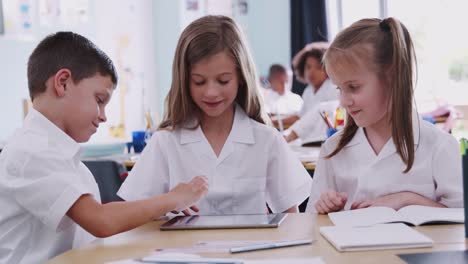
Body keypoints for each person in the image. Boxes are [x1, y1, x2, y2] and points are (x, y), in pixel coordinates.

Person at [0, 32, 208, 263]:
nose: (103, 117)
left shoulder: (63, 157)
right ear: (62, 83)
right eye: (99, 100)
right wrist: (172, 199)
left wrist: (161, 208)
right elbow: (100, 221)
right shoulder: (30, 151)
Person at [118, 15, 312, 215]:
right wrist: (166, 204)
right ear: (184, 81)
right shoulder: (165, 142)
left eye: (223, 81)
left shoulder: (267, 140)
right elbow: (135, 216)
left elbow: (291, 219)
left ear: (241, 77)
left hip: (250, 246)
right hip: (180, 247)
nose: (211, 92)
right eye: (199, 81)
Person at [306, 18, 463, 214]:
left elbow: (460, 217)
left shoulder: (440, 146)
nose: (344, 101)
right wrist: (325, 208)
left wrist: (406, 200)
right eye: (340, 88)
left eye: (353, 87)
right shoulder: (333, 150)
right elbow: (312, 222)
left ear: (393, 77)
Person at [284, 42, 339, 143]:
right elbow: (302, 117)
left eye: (318, 68)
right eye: (308, 67)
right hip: (308, 140)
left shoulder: (333, 88)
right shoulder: (308, 91)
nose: (311, 72)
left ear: (328, 69)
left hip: (325, 140)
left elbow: (336, 117)